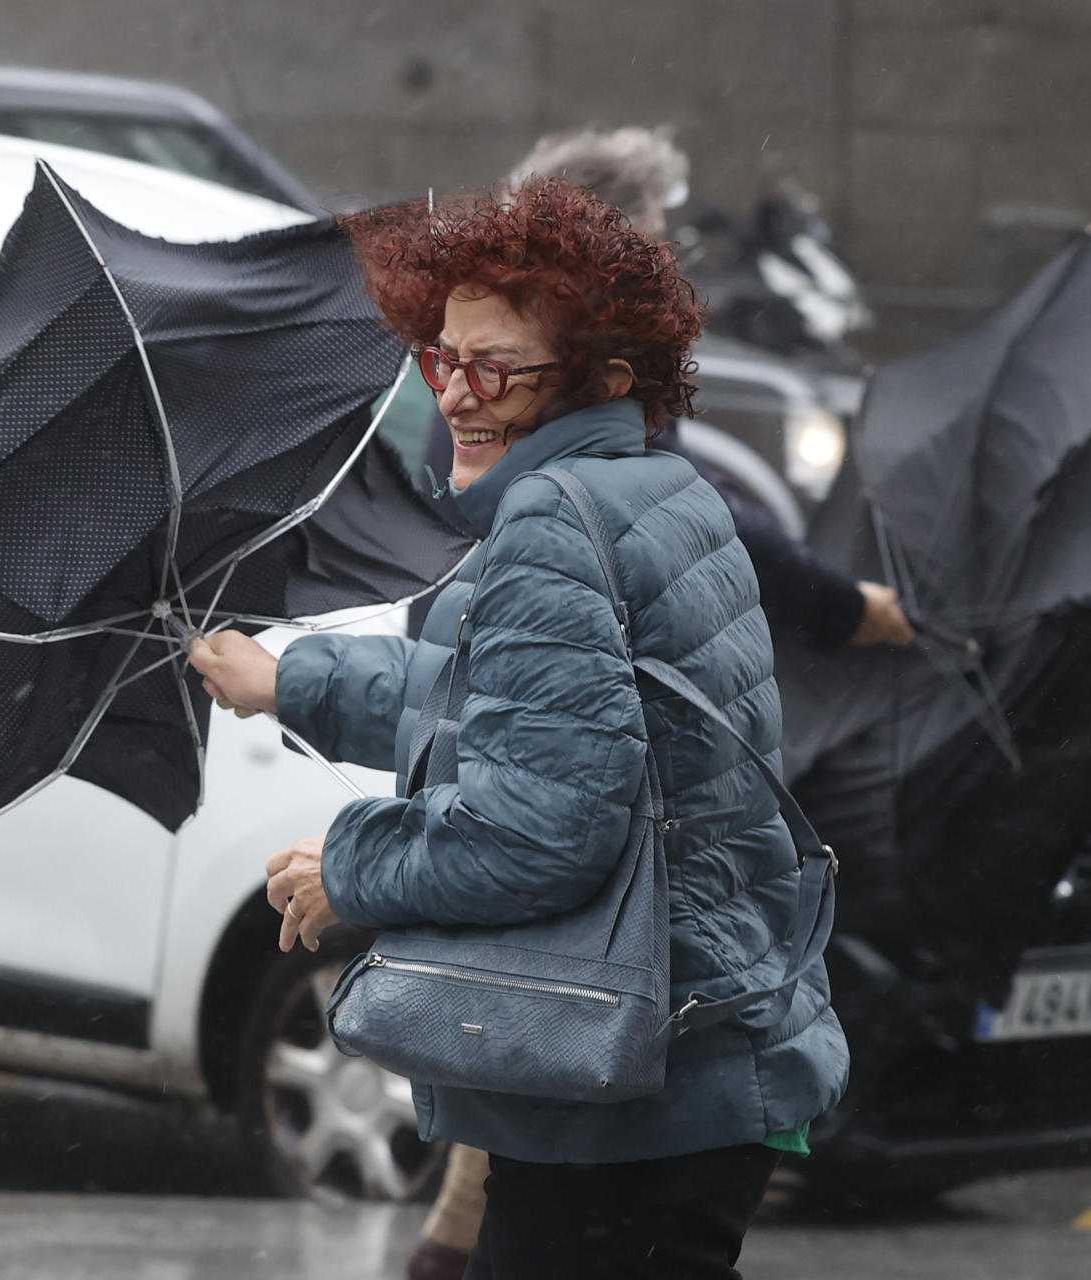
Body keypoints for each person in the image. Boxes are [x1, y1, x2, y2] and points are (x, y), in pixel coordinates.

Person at [190, 179, 848, 1280]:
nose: (454, 393)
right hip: (690, 1061)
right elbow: (512, 704)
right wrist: (290, 678)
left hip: (630, 1087)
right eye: (443, 358)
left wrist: (351, 865)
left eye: (495, 366)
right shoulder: (655, 491)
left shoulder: (551, 524)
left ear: (604, 376)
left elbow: (543, 825)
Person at [398, 125, 912, 656]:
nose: (669, 260)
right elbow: (699, 515)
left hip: (453, 663)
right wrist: (844, 607)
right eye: (657, 238)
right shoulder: (582, 363)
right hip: (517, 665)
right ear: (608, 240)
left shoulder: (492, 342)